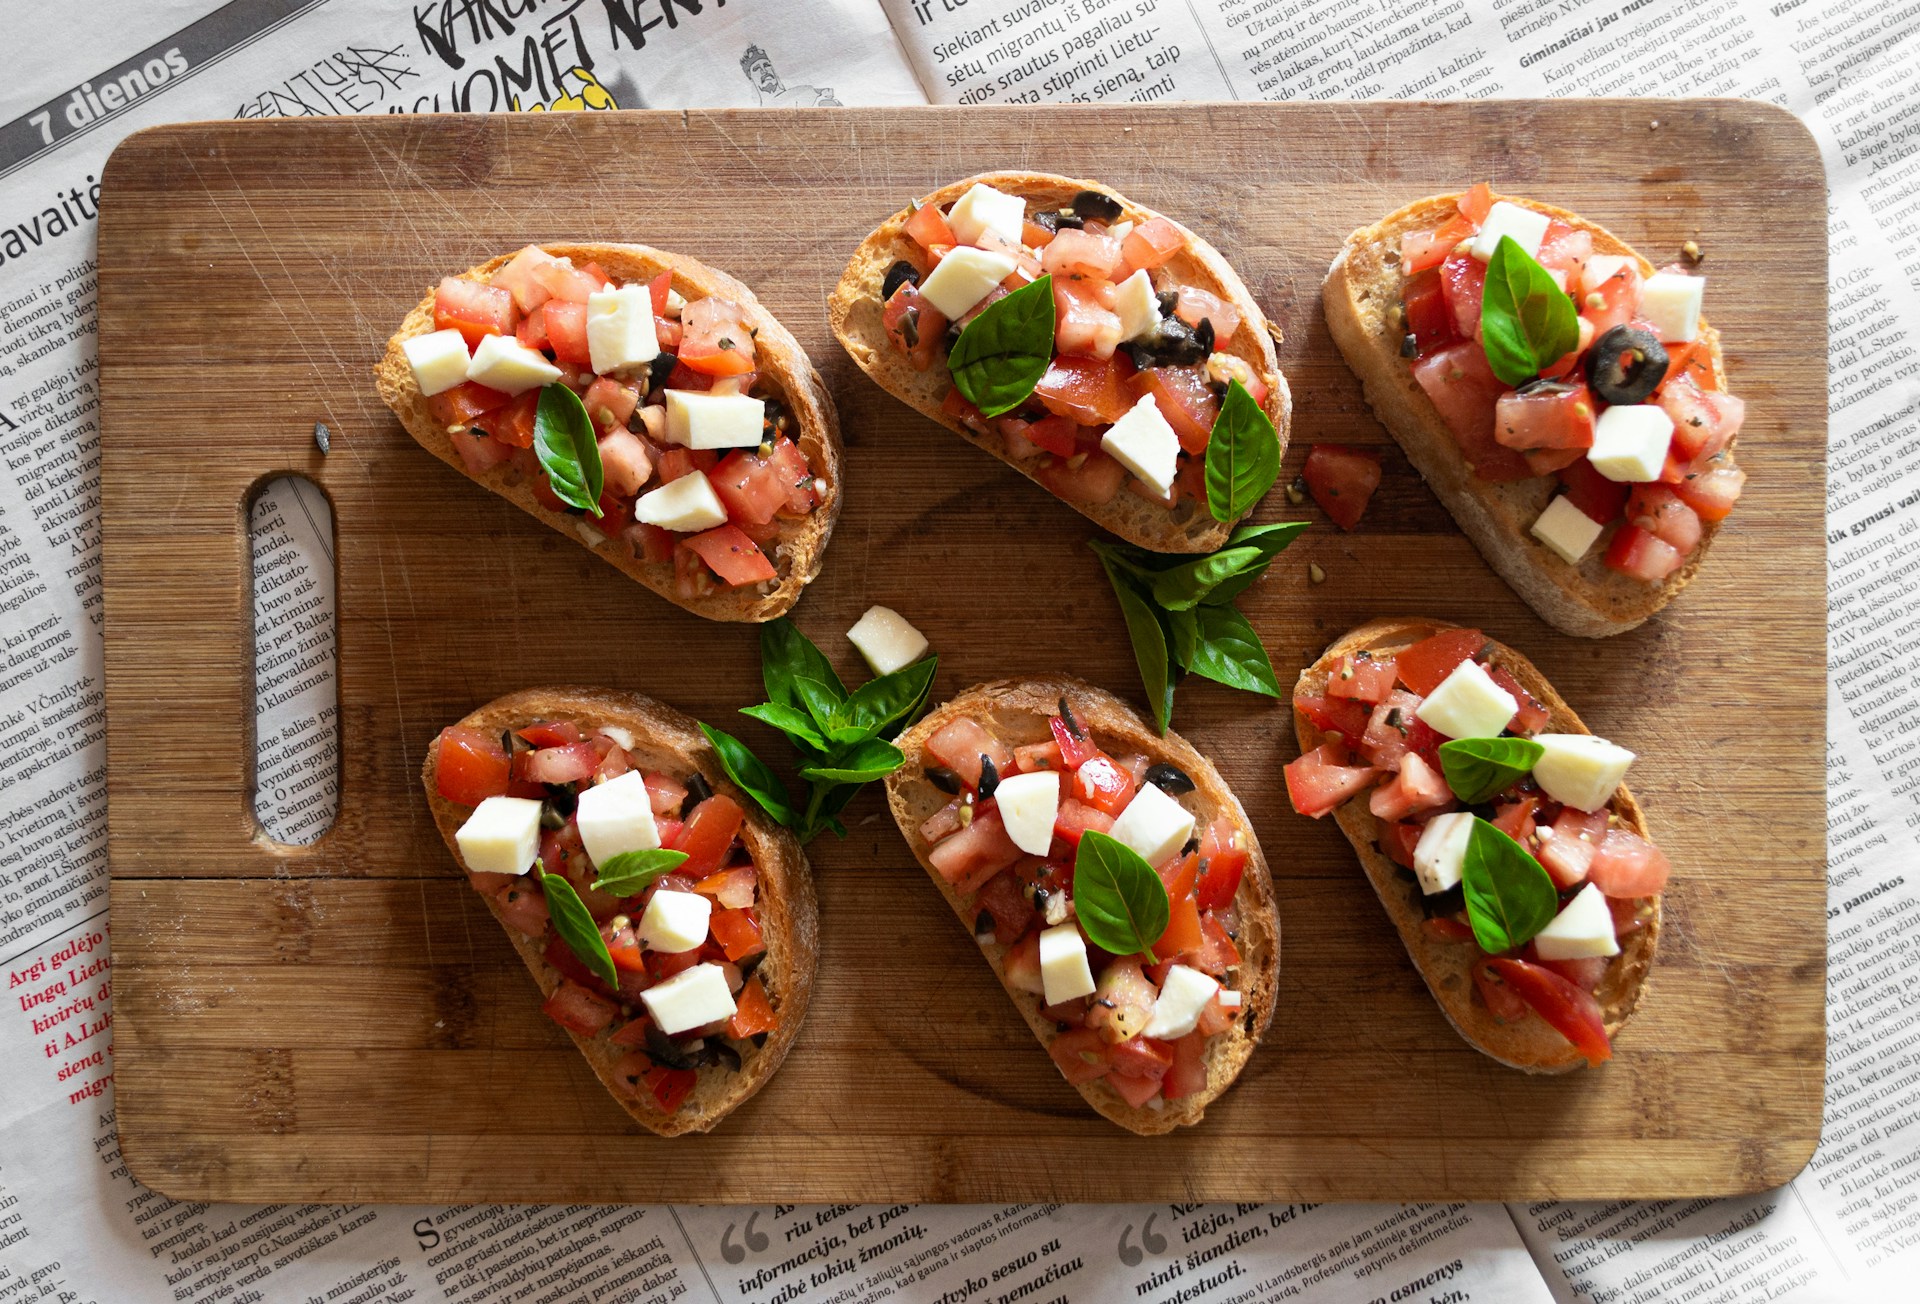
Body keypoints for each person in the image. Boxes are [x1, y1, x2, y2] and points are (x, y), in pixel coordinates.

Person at [740, 44, 840, 106]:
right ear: (750, 77)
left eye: (766, 65)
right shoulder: (759, 117)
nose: (764, 71)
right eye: (757, 69)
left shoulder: (804, 92)